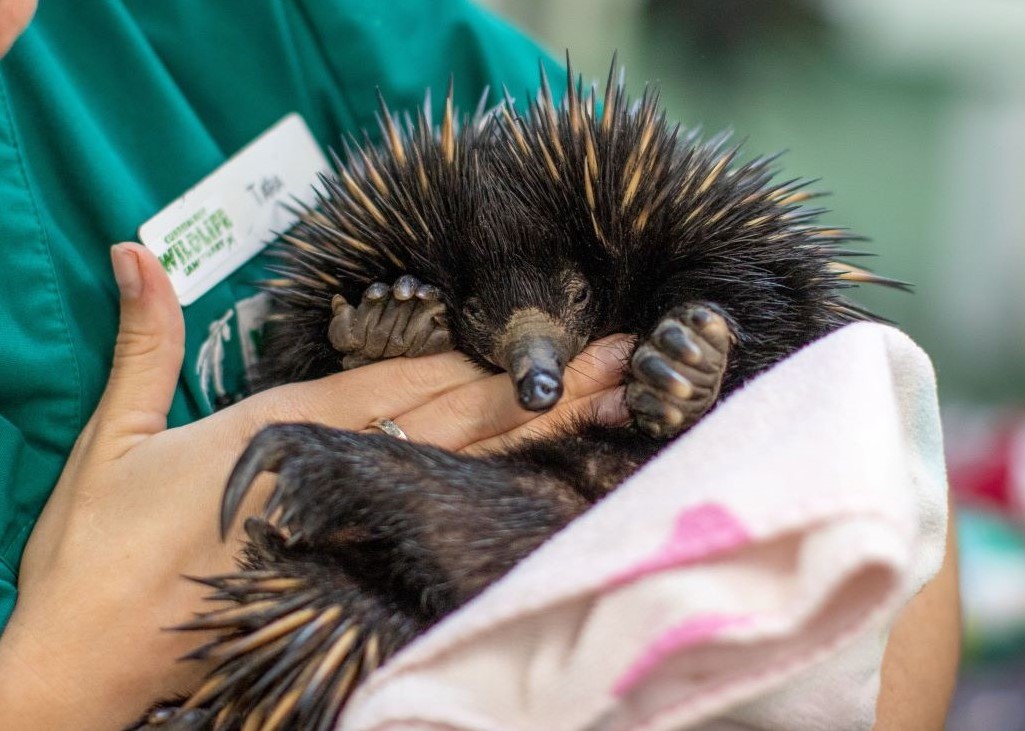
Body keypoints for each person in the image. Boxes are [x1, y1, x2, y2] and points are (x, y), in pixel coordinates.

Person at [0, 2, 959, 729]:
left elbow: (866, 449)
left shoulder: (290, 27)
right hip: (375, 627)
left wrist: (718, 367)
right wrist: (60, 675)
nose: (535, 366)